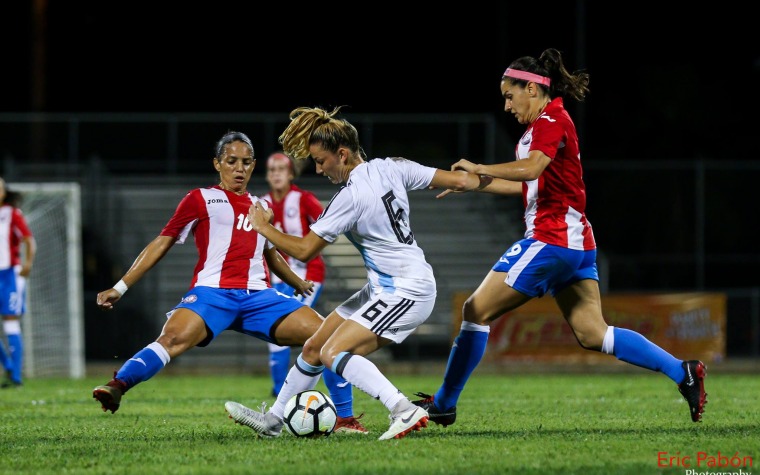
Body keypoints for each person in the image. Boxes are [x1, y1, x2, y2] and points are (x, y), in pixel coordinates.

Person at [411, 48, 708, 426]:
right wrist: (476, 184)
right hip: (577, 243)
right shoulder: (545, 125)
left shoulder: (551, 119)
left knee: (475, 310)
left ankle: (444, 403)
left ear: (531, 89)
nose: (506, 106)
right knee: (592, 332)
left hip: (551, 239)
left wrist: (481, 166)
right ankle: (683, 371)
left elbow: (533, 167)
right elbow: (529, 182)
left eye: (508, 95)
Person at [223, 106, 492, 441]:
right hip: (384, 286)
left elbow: (305, 250)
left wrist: (264, 227)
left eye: (321, 161)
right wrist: (515, 180)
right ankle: (274, 420)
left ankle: (402, 409)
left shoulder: (350, 197)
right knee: (314, 346)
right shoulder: (392, 166)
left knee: (333, 353)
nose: (319, 170)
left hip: (404, 290)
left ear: (343, 153)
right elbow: (461, 179)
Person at [91, 131, 361, 432]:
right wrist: (120, 286)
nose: (239, 168)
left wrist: (296, 281)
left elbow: (270, 253)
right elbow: (161, 243)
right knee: (171, 340)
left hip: (260, 297)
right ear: (217, 164)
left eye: (246, 162)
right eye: (231, 161)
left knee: (327, 335)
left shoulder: (259, 206)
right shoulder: (199, 199)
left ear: (253, 165)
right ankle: (117, 386)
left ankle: (345, 420)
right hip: (212, 294)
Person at [260, 151, 366, 433]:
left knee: (319, 337)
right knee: (279, 341)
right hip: (275, 277)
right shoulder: (262, 205)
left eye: (281, 168)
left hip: (307, 276)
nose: (276, 174)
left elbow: (326, 228)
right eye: (271, 169)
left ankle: (340, 411)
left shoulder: (303, 199)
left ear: (291, 173)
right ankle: (280, 396)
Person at [0, 179, 36, 388]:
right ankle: (9, 367)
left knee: (10, 322)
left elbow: (29, 239)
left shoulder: (11, 213)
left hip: (7, 275)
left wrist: (28, 264)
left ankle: (16, 377)